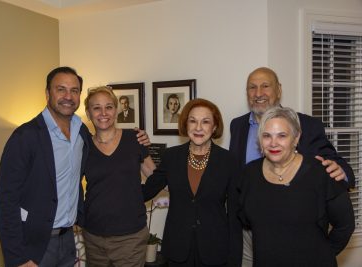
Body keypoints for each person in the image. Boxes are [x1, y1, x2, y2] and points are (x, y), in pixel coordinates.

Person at [0, 67, 150, 267]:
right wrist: (17, 257)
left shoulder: (81, 132)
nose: (68, 96)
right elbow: (6, 201)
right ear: (47, 93)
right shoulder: (26, 137)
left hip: (68, 240)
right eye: (61, 89)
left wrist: (141, 141)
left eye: (74, 90)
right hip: (35, 245)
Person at [229, 67, 355, 266]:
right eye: (252, 87)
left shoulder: (307, 125)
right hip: (252, 230)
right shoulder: (238, 125)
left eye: (265, 86)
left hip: (297, 228)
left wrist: (340, 173)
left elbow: (334, 164)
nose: (258, 93)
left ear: (278, 90)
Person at [143, 98, 238, 266]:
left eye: (206, 122)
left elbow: (234, 214)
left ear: (214, 126)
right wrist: (136, 149)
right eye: (192, 121)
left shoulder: (228, 161)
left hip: (215, 250)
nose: (198, 127)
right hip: (177, 249)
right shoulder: (171, 156)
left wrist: (234, 259)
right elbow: (146, 191)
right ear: (186, 125)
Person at [82, 86, 156, 266]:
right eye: (96, 107)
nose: (103, 113)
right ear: (88, 112)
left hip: (130, 237)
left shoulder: (134, 139)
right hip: (93, 236)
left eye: (109, 107)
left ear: (116, 110)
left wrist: (136, 197)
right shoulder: (83, 147)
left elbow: (155, 178)